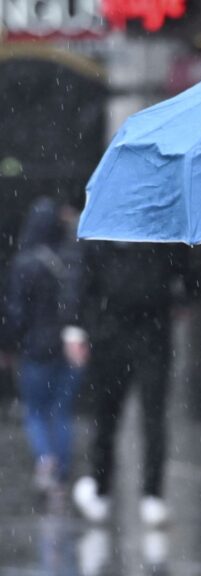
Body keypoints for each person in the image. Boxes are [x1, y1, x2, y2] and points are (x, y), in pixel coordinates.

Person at [71, 240, 197, 526]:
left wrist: (78, 327)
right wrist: (183, 298)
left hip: (113, 334)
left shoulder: (100, 234)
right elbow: (190, 278)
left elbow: (84, 282)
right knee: (148, 417)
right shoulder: (162, 236)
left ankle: (104, 490)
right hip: (150, 335)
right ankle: (150, 495)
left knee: (108, 417)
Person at [1, 197, 88, 502]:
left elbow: (15, 313)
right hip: (68, 346)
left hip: (35, 349)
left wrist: (8, 345)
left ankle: (45, 459)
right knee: (61, 412)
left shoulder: (24, 264)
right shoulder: (73, 259)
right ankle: (61, 473)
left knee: (36, 411)